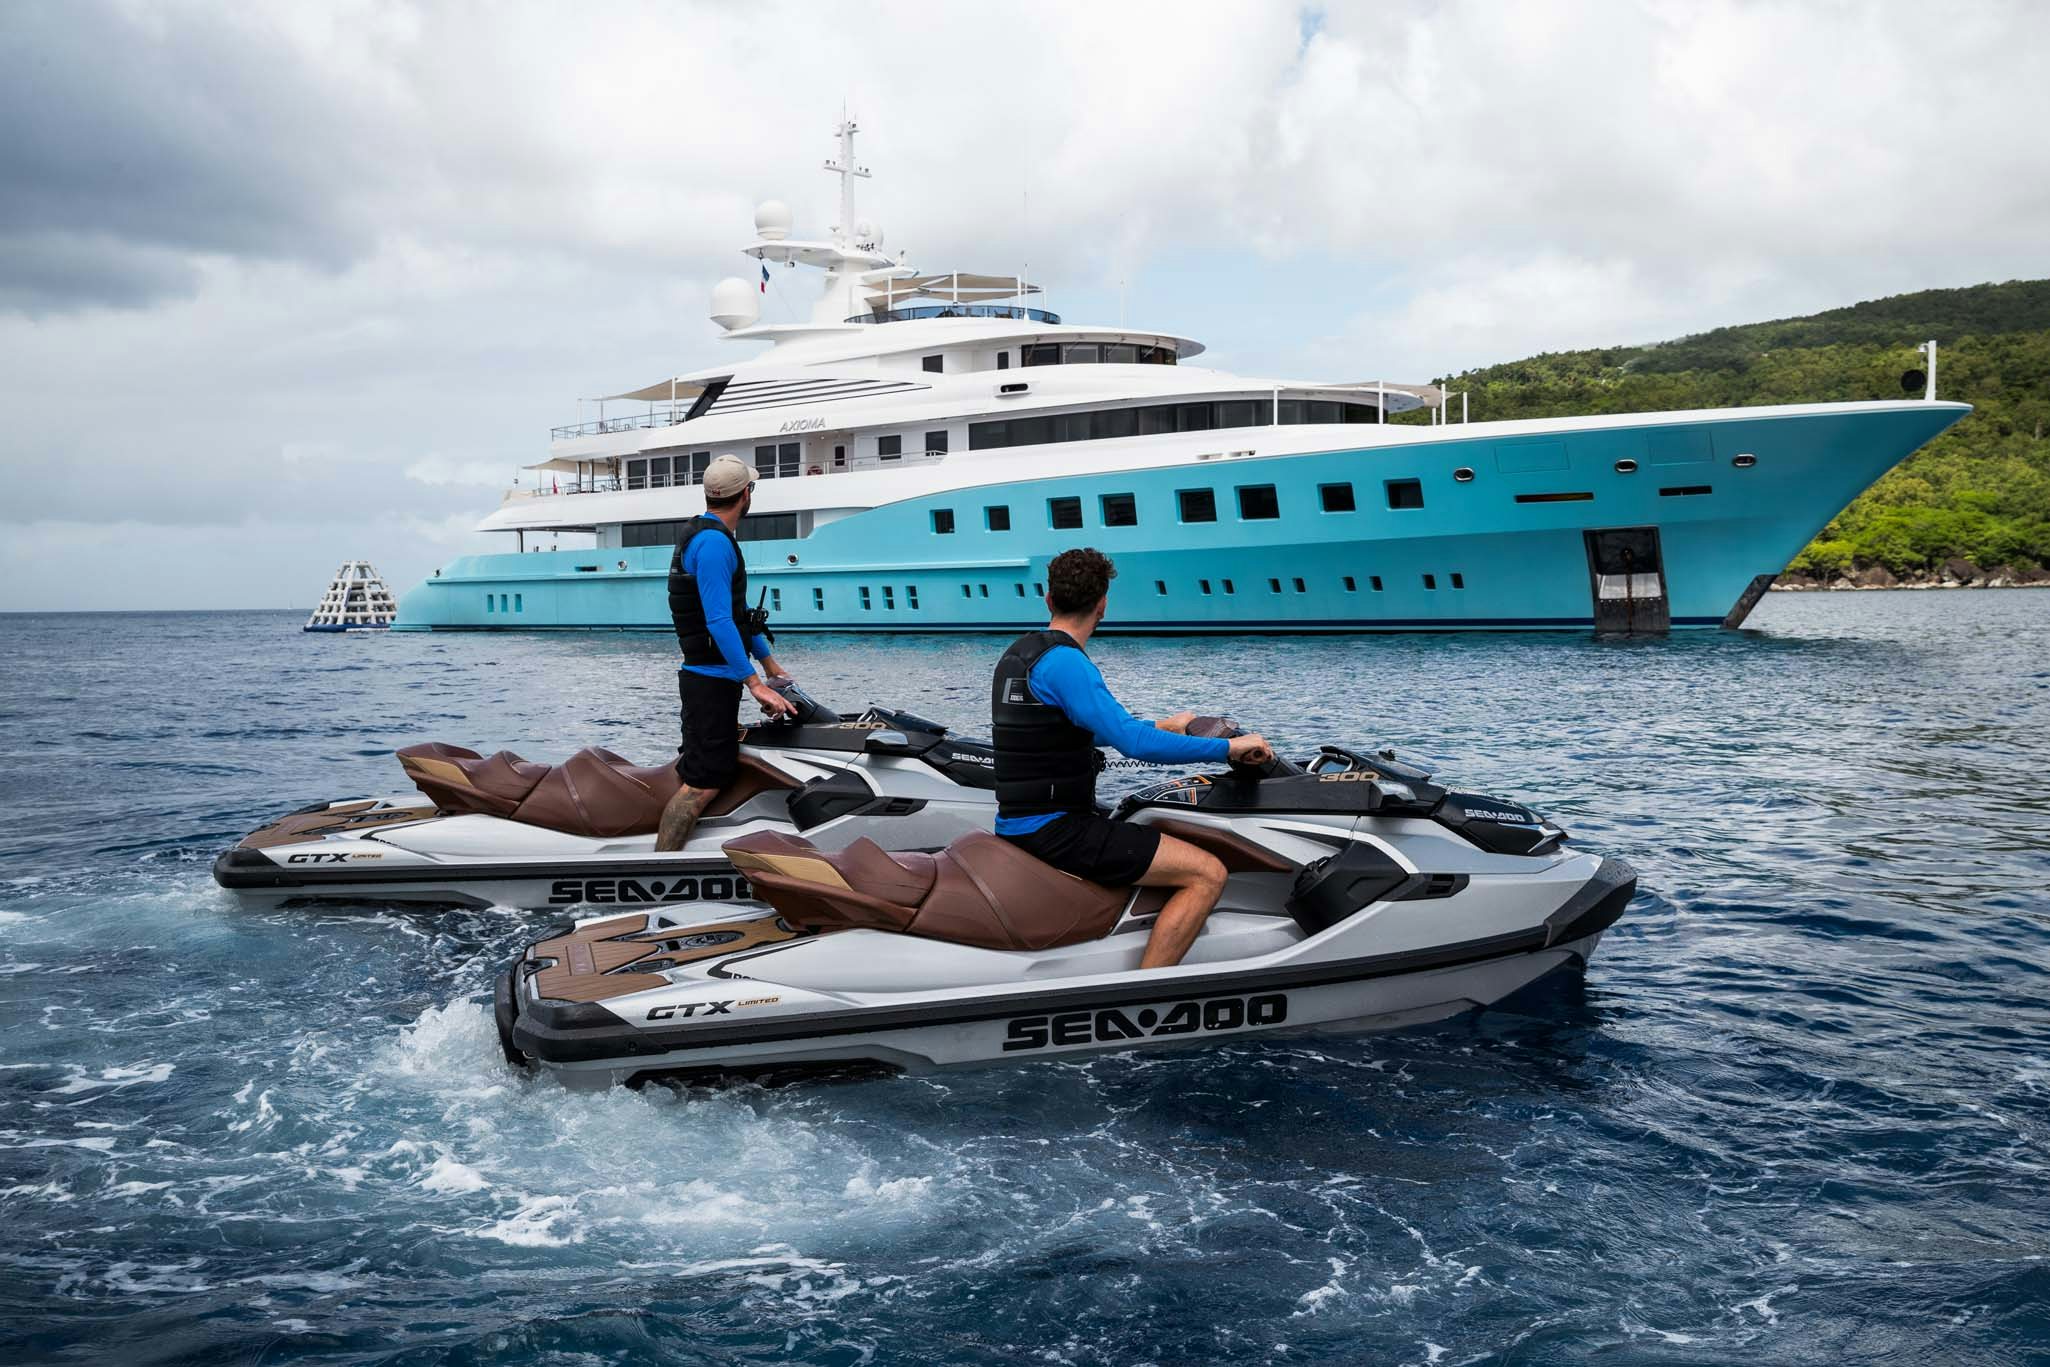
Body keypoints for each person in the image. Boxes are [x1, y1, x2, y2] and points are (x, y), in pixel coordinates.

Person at [992, 548, 1272, 968]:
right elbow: (1132, 745)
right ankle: (1148, 992)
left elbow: (1063, 732)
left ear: (1048, 599)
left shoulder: (1020, 655)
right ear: (1103, 604)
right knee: (1207, 873)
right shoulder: (1067, 664)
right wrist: (1227, 748)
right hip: (1055, 830)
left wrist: (1164, 724)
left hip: (1020, 821)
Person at [655, 454, 798, 852]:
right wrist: (753, 683)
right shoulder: (715, 545)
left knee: (714, 771)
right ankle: (662, 868)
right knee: (702, 784)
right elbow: (719, 622)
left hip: (716, 677)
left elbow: (738, 616)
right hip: (709, 682)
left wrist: (770, 665)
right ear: (746, 495)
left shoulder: (710, 536)